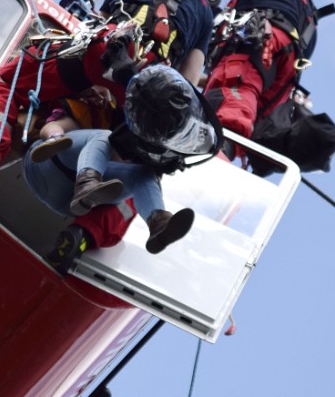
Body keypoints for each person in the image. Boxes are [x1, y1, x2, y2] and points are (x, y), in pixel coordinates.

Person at [0, 0, 214, 187]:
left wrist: (87, 84)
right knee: (141, 163)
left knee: (9, 82)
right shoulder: (204, 13)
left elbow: (94, 24)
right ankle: (89, 205)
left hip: (107, 50)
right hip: (150, 82)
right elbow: (187, 82)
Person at [25, 65, 219, 273]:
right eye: (97, 92)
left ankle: (158, 221)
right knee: (100, 138)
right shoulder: (78, 107)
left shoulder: (121, 124)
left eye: (105, 94)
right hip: (47, 165)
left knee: (144, 175)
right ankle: (87, 180)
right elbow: (51, 126)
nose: (101, 97)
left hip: (68, 199)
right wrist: (56, 138)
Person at [202, 0, 321, 159]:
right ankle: (224, 152)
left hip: (259, 43)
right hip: (280, 75)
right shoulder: (307, 18)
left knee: (229, 98)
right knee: (240, 101)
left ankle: (215, 155)